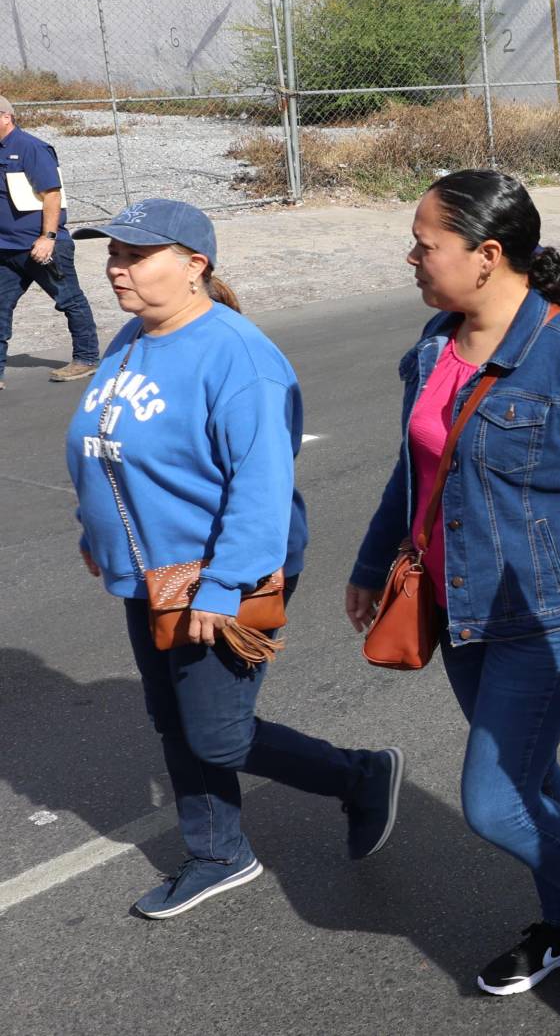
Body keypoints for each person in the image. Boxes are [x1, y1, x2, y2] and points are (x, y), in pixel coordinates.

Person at [344, 171, 560, 1018]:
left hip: (546, 620)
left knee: (494, 799)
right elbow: (416, 471)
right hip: (459, 611)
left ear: (486, 256)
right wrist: (375, 565)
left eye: (425, 243)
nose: (411, 257)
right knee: (533, 779)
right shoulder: (434, 346)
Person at [64, 198, 402, 919]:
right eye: (113, 253)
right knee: (173, 718)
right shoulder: (134, 336)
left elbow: (263, 488)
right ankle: (218, 852)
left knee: (216, 729)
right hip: (152, 571)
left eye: (135, 254)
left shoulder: (239, 356)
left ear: (195, 266)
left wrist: (221, 585)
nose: (116, 267)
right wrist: (93, 530)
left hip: (220, 570)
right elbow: (106, 442)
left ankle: (360, 775)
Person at [0, 95, 99, 386]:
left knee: (69, 299)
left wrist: (48, 237)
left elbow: (52, 194)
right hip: (7, 249)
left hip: (41, 246)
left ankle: (86, 358)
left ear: (5, 117)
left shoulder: (30, 148)